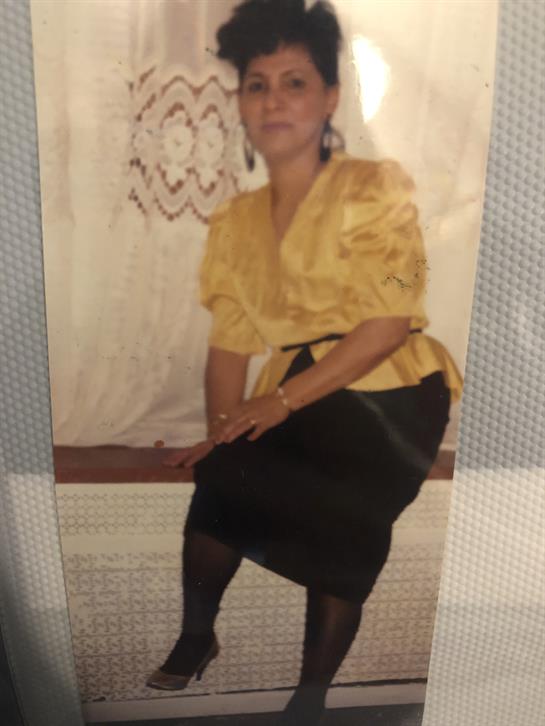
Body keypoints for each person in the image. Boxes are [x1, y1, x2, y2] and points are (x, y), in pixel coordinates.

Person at [147, 1, 463, 723]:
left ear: (330, 98)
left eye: (294, 82)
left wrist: (278, 404)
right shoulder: (232, 221)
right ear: (240, 103)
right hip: (293, 387)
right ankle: (197, 636)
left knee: (349, 525)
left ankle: (310, 699)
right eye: (256, 84)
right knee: (222, 478)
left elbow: (387, 324)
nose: (273, 100)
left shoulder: (375, 186)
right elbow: (230, 343)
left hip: (392, 388)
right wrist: (222, 430)